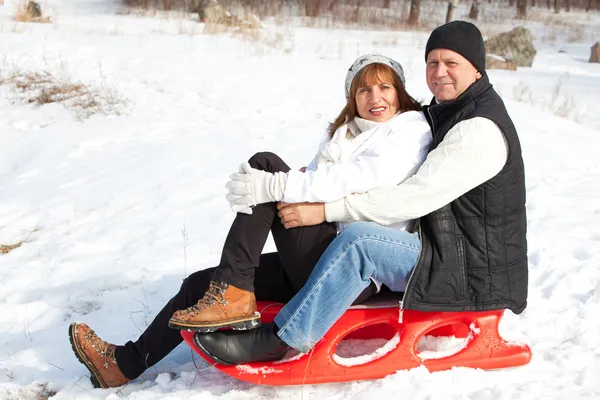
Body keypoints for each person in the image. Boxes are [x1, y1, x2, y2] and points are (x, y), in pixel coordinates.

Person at [67, 54, 433, 388]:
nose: (375, 97)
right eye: (364, 89)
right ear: (352, 98)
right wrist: (290, 186)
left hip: (354, 266)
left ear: (400, 92)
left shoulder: (410, 129)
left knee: (266, 166)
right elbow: (322, 181)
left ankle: (234, 288)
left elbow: (360, 178)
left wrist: (281, 184)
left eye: (385, 86)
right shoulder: (347, 135)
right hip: (321, 250)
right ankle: (122, 364)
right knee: (199, 283)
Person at [192, 20, 529, 366]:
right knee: (281, 180)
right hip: (445, 248)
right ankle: (229, 292)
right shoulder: (452, 110)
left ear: (476, 68)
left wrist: (325, 210)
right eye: (432, 63)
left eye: (451, 63)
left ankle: (281, 339)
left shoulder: (478, 129)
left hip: (468, 268)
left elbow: (413, 197)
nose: (439, 72)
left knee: (362, 241)